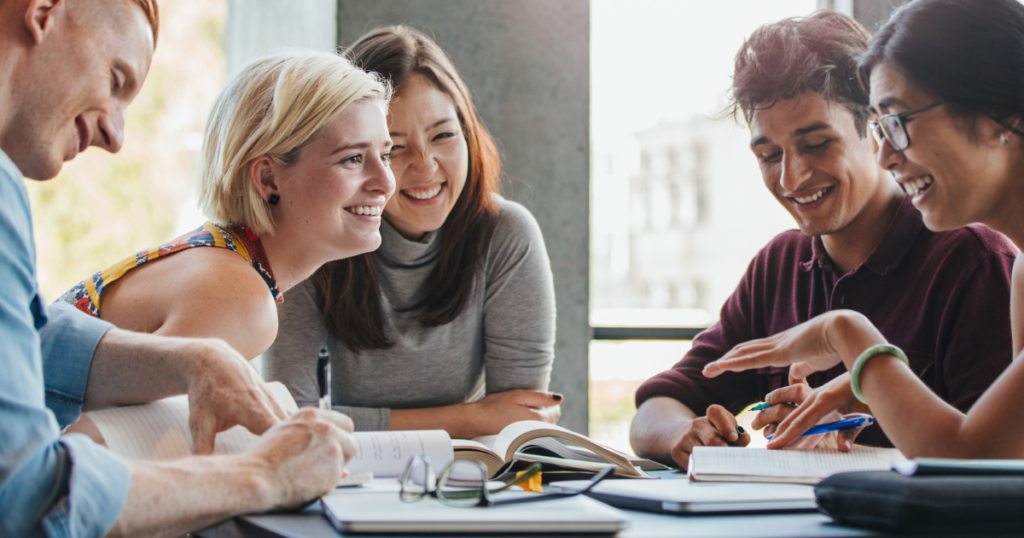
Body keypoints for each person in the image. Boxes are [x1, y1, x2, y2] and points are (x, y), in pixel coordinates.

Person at [0, 1, 359, 536]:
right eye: (116, 79)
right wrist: (262, 474)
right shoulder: (240, 294)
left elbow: (30, 341)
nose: (116, 136)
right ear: (44, 13)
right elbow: (29, 497)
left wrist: (192, 359)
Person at [629, 10, 1017, 468]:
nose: (791, 177)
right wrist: (687, 434)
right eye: (769, 155)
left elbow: (986, 465)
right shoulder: (779, 265)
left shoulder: (976, 260)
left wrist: (856, 354)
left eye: (816, 144)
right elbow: (662, 402)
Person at [263, 26, 561, 438]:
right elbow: (292, 420)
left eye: (443, 135)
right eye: (394, 149)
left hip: (464, 479)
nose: (425, 167)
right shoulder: (312, 235)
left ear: (469, 133)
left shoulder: (506, 235)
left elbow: (517, 420)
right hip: (340, 478)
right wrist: (470, 417)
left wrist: (487, 421)